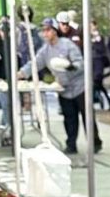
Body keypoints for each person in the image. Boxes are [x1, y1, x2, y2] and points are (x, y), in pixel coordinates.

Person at [20, 18, 101, 155]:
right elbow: (35, 63)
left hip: (80, 86)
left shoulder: (67, 45)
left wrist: (70, 66)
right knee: (69, 118)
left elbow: (80, 63)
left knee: (87, 116)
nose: (45, 34)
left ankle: (95, 142)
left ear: (55, 31)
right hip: (63, 88)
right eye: (43, 31)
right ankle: (71, 144)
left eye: (48, 30)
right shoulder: (45, 50)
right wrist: (21, 73)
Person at [91, 21, 110, 110]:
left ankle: (98, 98)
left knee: (96, 81)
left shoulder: (98, 37)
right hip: (92, 62)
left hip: (98, 62)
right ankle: (106, 99)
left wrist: (93, 44)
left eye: (92, 25)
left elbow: (101, 48)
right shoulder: (88, 36)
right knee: (98, 84)